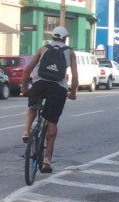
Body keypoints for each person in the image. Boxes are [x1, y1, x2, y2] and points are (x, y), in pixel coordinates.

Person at [21, 26, 79, 173]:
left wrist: (24, 88)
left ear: (52, 37)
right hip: (58, 88)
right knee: (52, 121)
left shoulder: (43, 49)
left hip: (39, 84)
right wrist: (72, 93)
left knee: (32, 107)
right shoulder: (70, 52)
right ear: (65, 38)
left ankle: (27, 131)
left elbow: (27, 70)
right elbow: (75, 78)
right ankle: (47, 159)